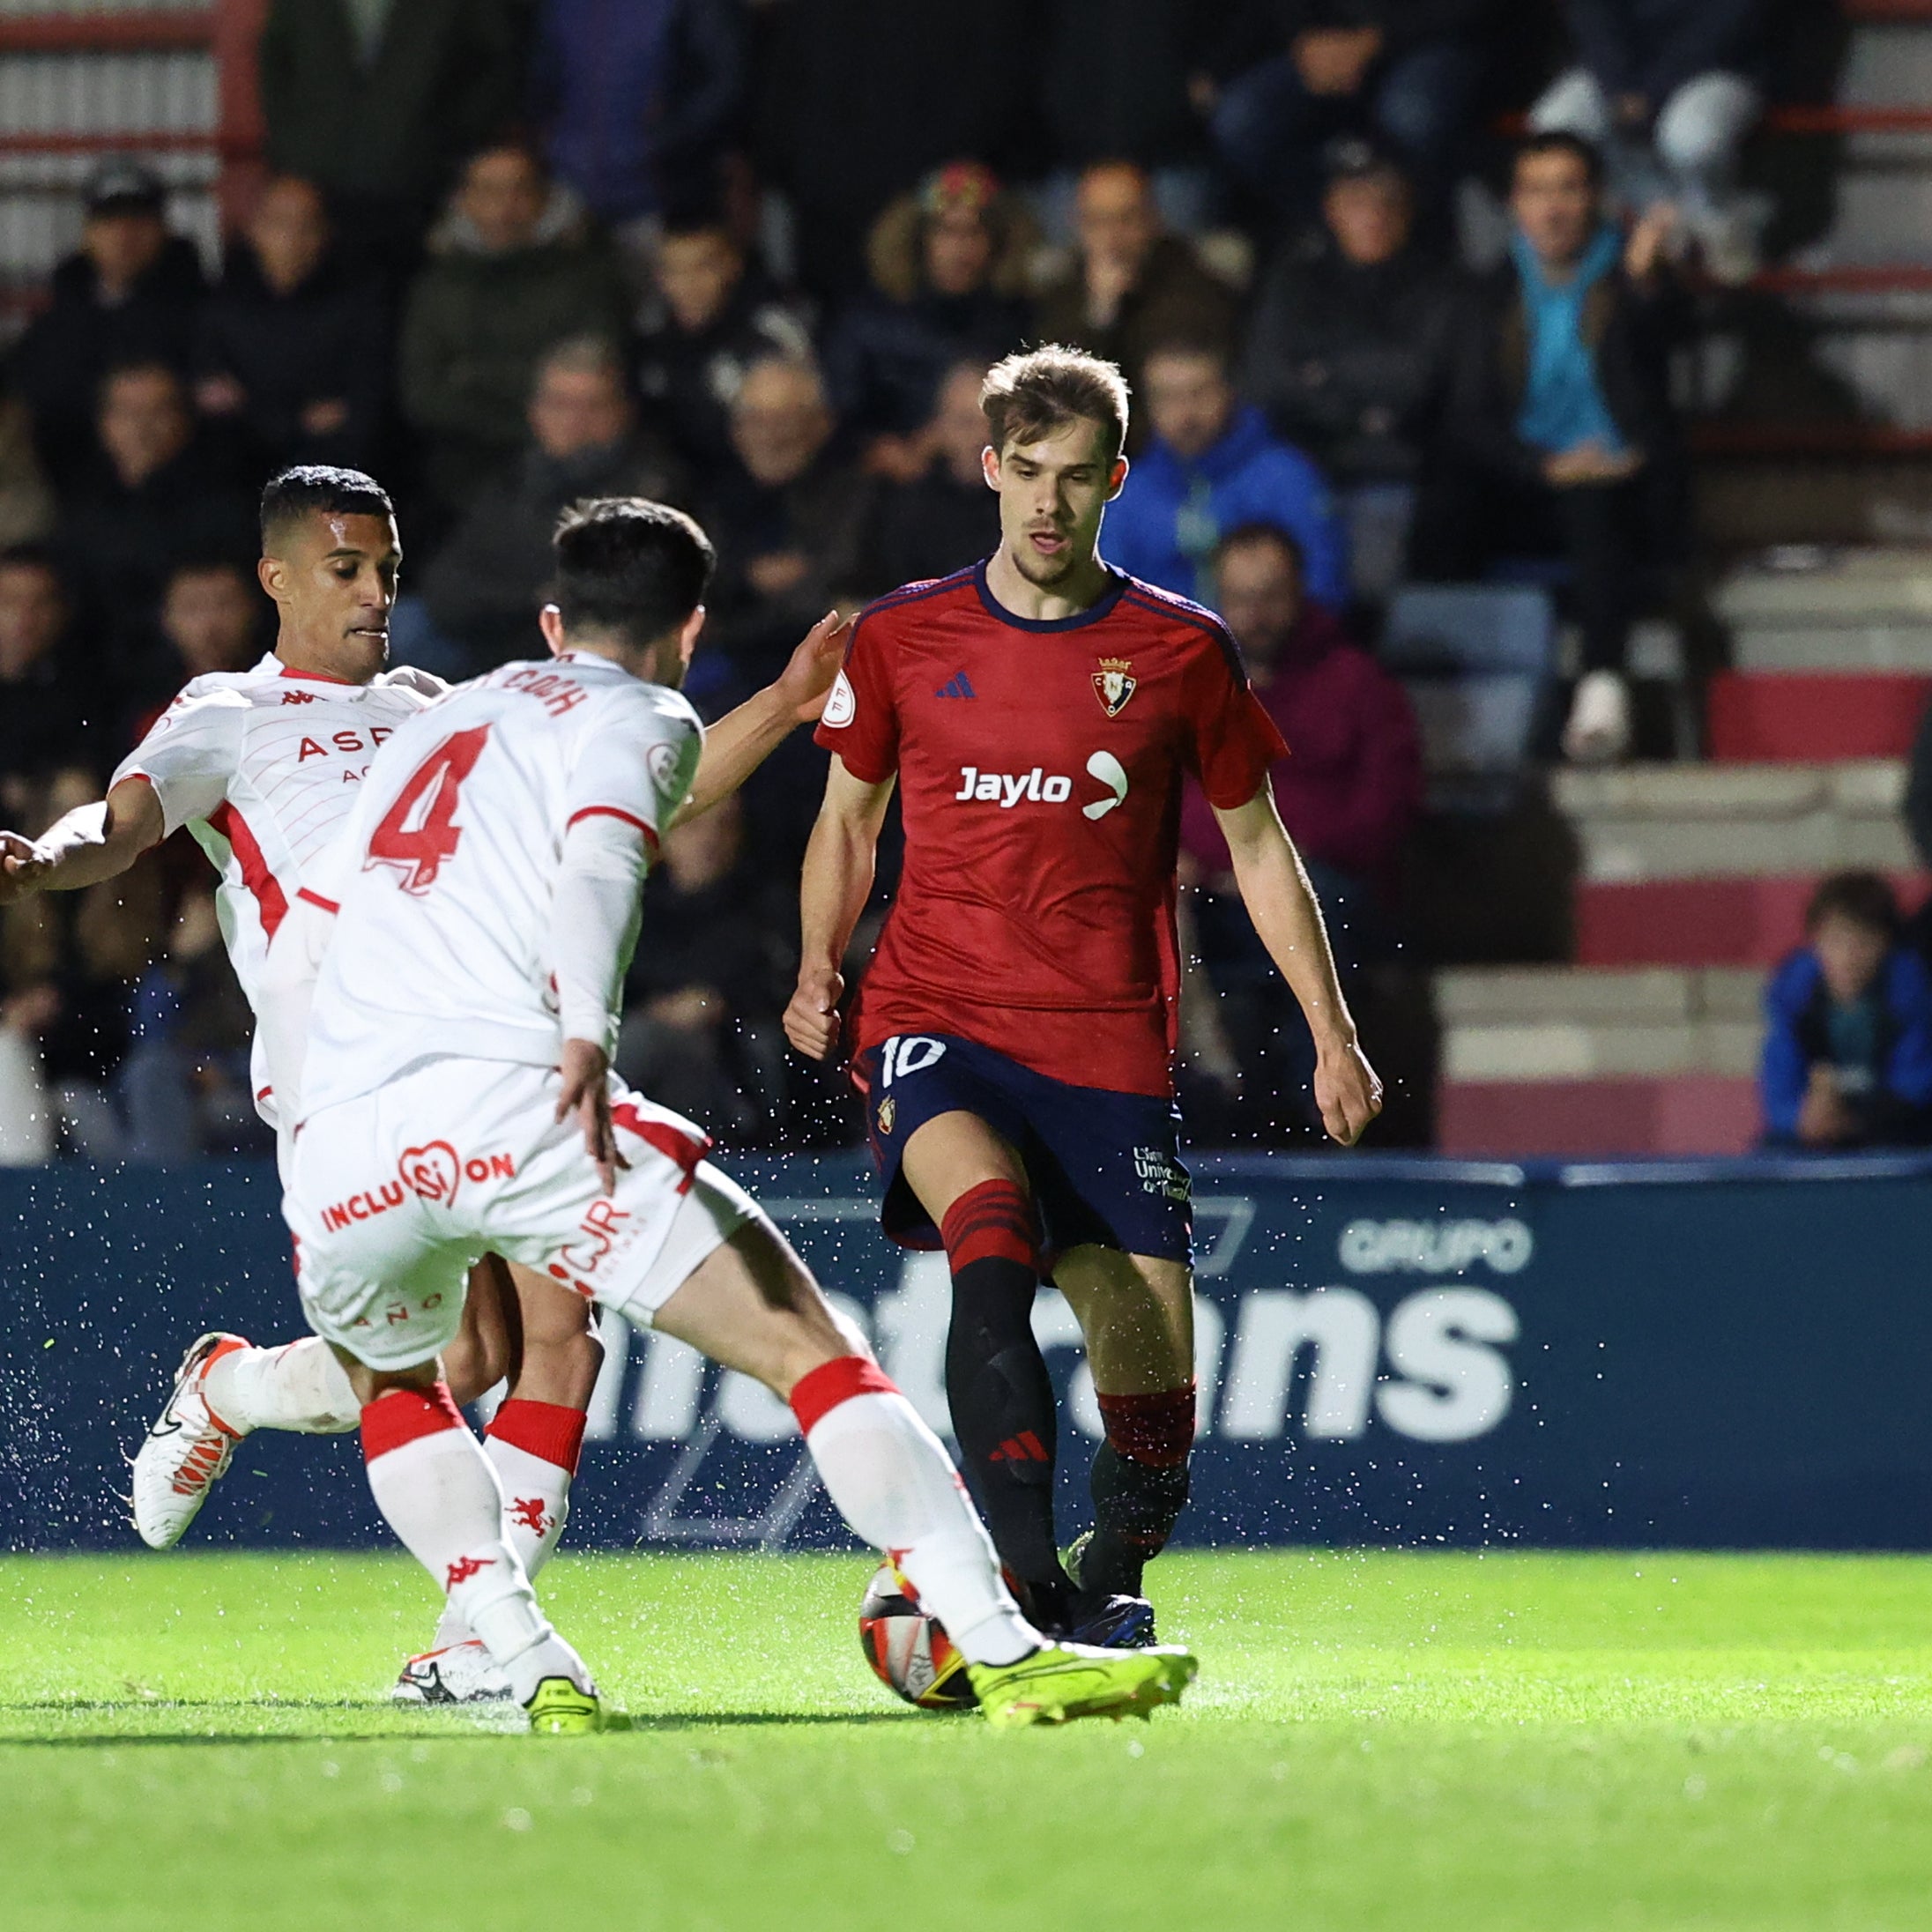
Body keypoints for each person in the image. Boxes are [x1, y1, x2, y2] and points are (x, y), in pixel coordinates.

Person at [281, 495, 1197, 1731]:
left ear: (554, 621)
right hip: (517, 1101)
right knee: (810, 1357)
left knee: (400, 1381)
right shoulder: (639, 712)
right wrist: (585, 1039)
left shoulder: (447, 715)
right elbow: (612, 850)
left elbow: (314, 926)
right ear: (690, 629)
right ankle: (1003, 1644)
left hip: (341, 1138)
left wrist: (312, 1094)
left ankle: (517, 1649)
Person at [0, 465, 866, 1706]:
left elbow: (646, 790)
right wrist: (41, 867)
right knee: (455, 1367)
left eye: (389, 572)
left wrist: (786, 702)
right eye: (347, 570)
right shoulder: (226, 713)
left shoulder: (441, 706)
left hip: (494, 1050)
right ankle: (232, 1384)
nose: (373, 595)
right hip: (344, 1080)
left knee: (561, 1339)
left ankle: (482, 1644)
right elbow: (124, 825)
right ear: (278, 576)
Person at [785, 346, 1381, 1639]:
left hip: (1107, 1042)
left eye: (1076, 480)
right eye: (1026, 474)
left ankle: (1108, 1573)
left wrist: (1332, 1035)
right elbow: (847, 822)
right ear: (990, 470)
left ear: (1118, 481)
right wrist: (815, 968)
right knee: (986, 1234)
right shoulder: (901, 635)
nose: (1047, 505)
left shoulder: (1180, 649)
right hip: (937, 1015)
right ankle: (1018, 1590)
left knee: (1157, 1405)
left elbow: (1260, 847)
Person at [1419, 130, 1687, 764]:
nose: (1553, 207)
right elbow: (1467, 416)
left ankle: (1602, 688)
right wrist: (1544, 467)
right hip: (1523, 479)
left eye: (1568, 189)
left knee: (1595, 506)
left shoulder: (1632, 275)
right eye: (1538, 191)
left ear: (1593, 198)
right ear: (1515, 203)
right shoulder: (1487, 292)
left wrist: (1649, 285)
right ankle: (1431, 679)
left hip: (1621, 484)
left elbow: (1668, 341)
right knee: (1445, 491)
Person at [1179, 524, 1421, 1130]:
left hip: (1327, 886)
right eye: (1240, 598)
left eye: (1271, 596)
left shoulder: (1357, 685)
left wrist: (1285, 866)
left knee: (1319, 905)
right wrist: (1203, 863)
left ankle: (1319, 1115)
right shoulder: (1194, 689)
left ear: (1301, 593)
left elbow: (1384, 811)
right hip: (1208, 891)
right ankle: (1203, 1112)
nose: (1255, 616)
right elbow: (1166, 798)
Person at [1240, 141, 1454, 598]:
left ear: (1407, 211)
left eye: (1387, 203)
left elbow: (1416, 380)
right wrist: (1361, 409)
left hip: (1394, 472)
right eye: (1357, 202)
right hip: (1304, 467)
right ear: (1331, 209)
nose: (1372, 216)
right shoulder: (1296, 279)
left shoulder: (1437, 283)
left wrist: (1323, 373)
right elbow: (1265, 384)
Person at [420, 337, 686, 672]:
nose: (575, 421)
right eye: (560, 404)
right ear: (535, 411)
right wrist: (527, 599)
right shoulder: (515, 480)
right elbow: (446, 588)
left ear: (623, 411)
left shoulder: (649, 491)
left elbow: (612, 609)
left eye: (593, 406)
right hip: (492, 644)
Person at [398, 145, 630, 518]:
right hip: (457, 475)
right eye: (489, 192)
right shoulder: (436, 285)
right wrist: (536, 395)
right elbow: (423, 396)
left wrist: (473, 377)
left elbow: (596, 382)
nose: (504, 209)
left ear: (543, 197)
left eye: (519, 191)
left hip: (573, 474)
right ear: (463, 199)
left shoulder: (586, 278)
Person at [257, 0, 524, 277]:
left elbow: (495, 65)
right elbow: (275, 59)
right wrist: (293, 145)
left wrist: (443, 139)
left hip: (416, 185)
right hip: (317, 183)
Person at [1530, 0, 1768, 285]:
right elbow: (1591, 14)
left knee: (1690, 138)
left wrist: (1652, 91)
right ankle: (1632, 225)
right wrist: (1619, 86)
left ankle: (1715, 223)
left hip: (1720, 66)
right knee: (1554, 126)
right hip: (1618, 72)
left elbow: (1734, 21)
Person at [9, 158, 204, 496]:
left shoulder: (201, 313)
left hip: (180, 493)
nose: (123, 234)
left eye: (138, 220)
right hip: (68, 491)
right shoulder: (58, 318)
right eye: (109, 221)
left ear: (163, 229)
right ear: (89, 231)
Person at [1103, 339, 1348, 610]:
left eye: (1200, 393)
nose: (1186, 413)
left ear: (1230, 391)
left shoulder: (1286, 478)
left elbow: (1324, 589)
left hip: (1270, 647)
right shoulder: (1128, 492)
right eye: (1167, 397)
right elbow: (1106, 598)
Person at [824, 162, 1035, 473]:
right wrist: (879, 449)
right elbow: (839, 416)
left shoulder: (1018, 321)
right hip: (887, 485)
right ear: (920, 238)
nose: (959, 248)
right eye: (946, 231)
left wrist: (943, 437)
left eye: (973, 231)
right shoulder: (870, 321)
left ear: (996, 242)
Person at [54, 364, 255, 679]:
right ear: (104, 423)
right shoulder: (81, 513)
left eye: (158, 411)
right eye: (127, 412)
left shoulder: (226, 511)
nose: (142, 427)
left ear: (184, 420)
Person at [1205, 0, 1491, 220]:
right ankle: (1333, 235)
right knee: (1241, 119)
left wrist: (1371, 42)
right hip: (1323, 40)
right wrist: (1303, 37)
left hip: (1430, 39)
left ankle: (1412, 235)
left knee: (1410, 114)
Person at [194, 176, 390, 474]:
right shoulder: (223, 306)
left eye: (306, 226)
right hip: (239, 478)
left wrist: (253, 407)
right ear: (254, 230)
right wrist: (299, 420)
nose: (292, 239)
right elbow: (212, 410)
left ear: (326, 234)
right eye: (279, 223)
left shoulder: (359, 307)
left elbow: (362, 414)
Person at [1033, 167, 1239, 438]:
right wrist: (1100, 317)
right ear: (1078, 226)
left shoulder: (1195, 289)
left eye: (1126, 219)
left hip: (1168, 446)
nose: (1112, 237)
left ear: (1153, 221)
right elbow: (1058, 396)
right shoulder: (1061, 296)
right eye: (1098, 222)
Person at [699, 356, 873, 669]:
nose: (769, 436)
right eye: (754, 421)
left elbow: (845, 584)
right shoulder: (713, 497)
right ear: (735, 431)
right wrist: (748, 578)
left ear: (821, 424)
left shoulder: (857, 494)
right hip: (729, 666)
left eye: (785, 421)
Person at [531, 0, 747, 242]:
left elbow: (726, 81)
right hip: (569, 190)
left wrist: (662, 140)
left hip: (660, 194)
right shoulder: (562, 6)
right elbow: (545, 72)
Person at [1761, 873, 1932, 1152]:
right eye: (1836, 941)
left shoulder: (1909, 995)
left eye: (1863, 942)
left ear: (1885, 944)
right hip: (1813, 1137)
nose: (1848, 958)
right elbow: (1779, 1094)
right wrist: (1802, 1119)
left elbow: (1917, 1084)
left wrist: (1855, 1122)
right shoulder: (1795, 999)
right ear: (1816, 941)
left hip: (1897, 1133)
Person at [635, 212, 814, 475]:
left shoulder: (768, 330)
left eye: (703, 266)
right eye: (676, 270)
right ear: (660, 277)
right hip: (682, 484)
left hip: (765, 482)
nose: (689, 283)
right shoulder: (651, 337)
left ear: (732, 265)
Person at [856, 360, 1003, 596]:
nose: (982, 437)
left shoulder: (1029, 507)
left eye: (994, 426)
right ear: (940, 428)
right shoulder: (903, 508)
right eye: (966, 424)